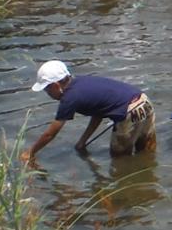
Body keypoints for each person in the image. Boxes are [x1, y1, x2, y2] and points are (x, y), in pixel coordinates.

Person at [22, 61, 156, 163]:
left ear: (56, 86)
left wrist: (30, 152)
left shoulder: (69, 98)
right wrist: (83, 142)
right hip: (144, 101)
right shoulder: (81, 82)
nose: (48, 94)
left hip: (129, 112)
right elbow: (98, 114)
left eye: (47, 90)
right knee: (146, 152)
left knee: (120, 160)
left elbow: (50, 134)